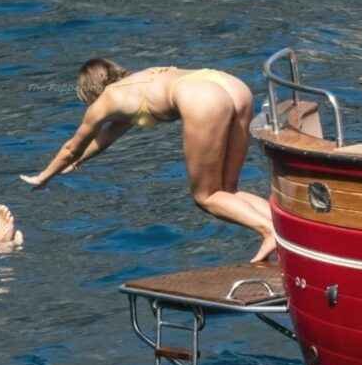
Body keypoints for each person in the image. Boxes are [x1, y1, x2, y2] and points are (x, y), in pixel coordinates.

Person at [20, 59, 277, 262]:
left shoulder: (105, 101)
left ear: (90, 90)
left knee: (206, 196)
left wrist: (44, 176)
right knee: (228, 191)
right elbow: (105, 138)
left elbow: (70, 147)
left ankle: (268, 231)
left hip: (203, 97)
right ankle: (287, 228)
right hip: (231, 85)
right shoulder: (138, 83)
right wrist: (78, 163)